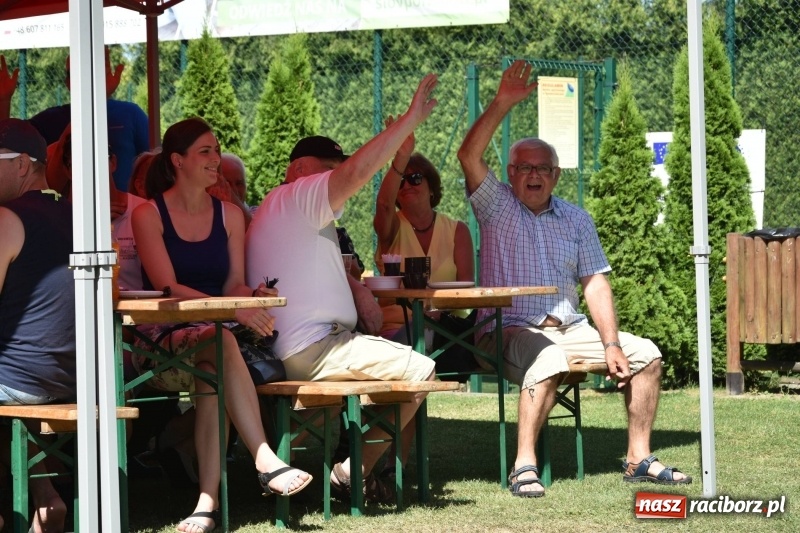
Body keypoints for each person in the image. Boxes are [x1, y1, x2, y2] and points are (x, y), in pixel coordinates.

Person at [457, 60, 692, 498]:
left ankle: (638, 458)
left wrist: (611, 343)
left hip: (571, 328)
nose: (533, 175)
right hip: (507, 328)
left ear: (556, 175)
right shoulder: (495, 207)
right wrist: (502, 102)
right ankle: (524, 465)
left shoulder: (577, 219)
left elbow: (595, 284)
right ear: (510, 174)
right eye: (523, 167)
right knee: (548, 359)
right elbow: (468, 155)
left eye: (542, 168)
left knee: (649, 355)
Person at [245, 74, 439, 502]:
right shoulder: (297, 195)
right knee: (423, 370)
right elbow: (356, 173)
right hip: (316, 349)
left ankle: (372, 470)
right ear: (297, 171)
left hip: (308, 346)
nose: (336, 182)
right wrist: (406, 123)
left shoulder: (287, 210)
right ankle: (355, 470)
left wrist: (355, 287)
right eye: (325, 172)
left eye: (335, 171)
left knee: (401, 364)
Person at [131, 117, 311, 532]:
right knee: (219, 338)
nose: (217, 160)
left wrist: (252, 296)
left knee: (213, 368)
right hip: (159, 340)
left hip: (215, 337)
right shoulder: (148, 215)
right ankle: (264, 457)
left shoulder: (230, 215)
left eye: (217, 149)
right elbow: (168, 288)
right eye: (205, 152)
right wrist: (233, 311)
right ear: (177, 161)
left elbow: (233, 284)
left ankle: (206, 504)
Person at [0, 119, 74, 532]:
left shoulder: (7, 218)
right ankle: (45, 496)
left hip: (19, 380)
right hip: (76, 378)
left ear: (23, 165)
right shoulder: (79, 217)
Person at [374, 120, 474, 340]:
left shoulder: (458, 231)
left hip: (448, 329)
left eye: (415, 178)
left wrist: (436, 314)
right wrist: (398, 160)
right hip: (398, 329)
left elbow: (467, 295)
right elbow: (383, 205)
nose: (407, 185)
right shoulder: (392, 228)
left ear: (431, 187)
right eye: (401, 181)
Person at [0, 49, 149, 192]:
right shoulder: (50, 119)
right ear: (67, 81)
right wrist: (4, 100)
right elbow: (8, 144)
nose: (85, 77)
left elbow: (150, 165)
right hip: (68, 214)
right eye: (75, 72)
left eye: (94, 68)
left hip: (126, 211)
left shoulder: (131, 114)